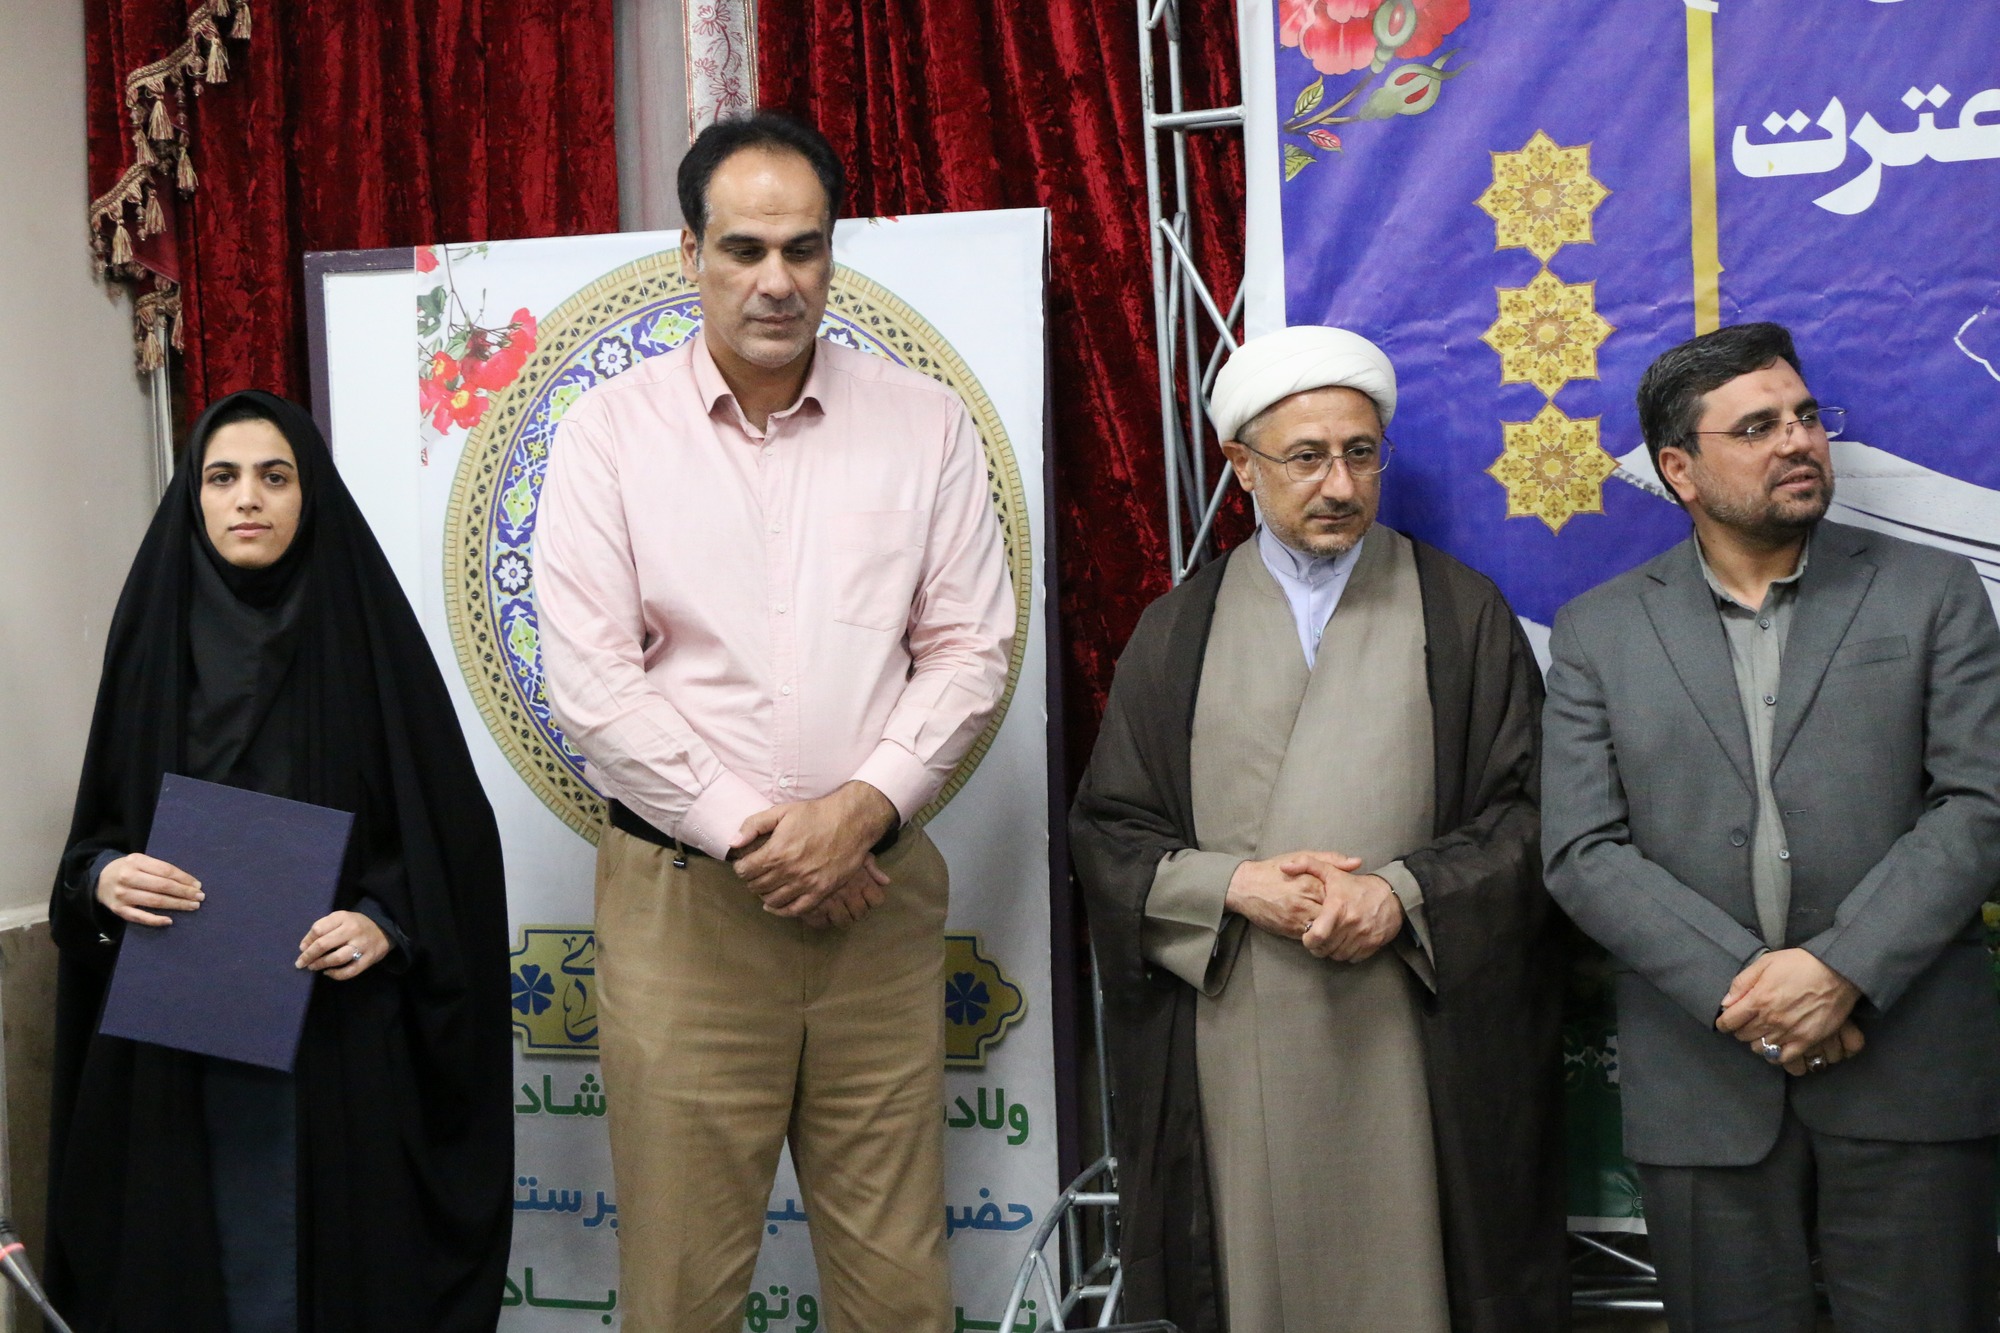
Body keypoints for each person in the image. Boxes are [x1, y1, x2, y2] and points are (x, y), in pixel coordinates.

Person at [534, 111, 1012, 1330]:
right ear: (687, 252)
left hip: (874, 906)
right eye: (743, 248)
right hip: (685, 913)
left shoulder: (924, 423)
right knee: (681, 1289)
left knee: (899, 1288)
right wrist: (772, 838)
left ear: (832, 256)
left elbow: (970, 649)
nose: (776, 280)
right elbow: (591, 681)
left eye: (802, 248)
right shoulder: (607, 434)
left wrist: (855, 816)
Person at [1069, 325, 1568, 1333]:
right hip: (1234, 1024)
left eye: (1360, 453)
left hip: (1413, 1023)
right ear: (1242, 465)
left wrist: (1401, 895)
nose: (1339, 484)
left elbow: (1533, 813)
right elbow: (1109, 829)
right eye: (1306, 457)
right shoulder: (1176, 631)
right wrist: (1230, 886)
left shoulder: (1463, 615)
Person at [1542, 322, 2000, 1332]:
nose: (1797, 440)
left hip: (1909, 1071)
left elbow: (1979, 802)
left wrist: (1837, 970)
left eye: (1804, 416)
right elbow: (1581, 851)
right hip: (1701, 1089)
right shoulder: (1597, 631)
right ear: (1679, 470)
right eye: (1755, 427)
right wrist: (1754, 992)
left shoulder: (1931, 593)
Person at [46, 391, 514, 1332]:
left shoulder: (366, 638)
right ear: (195, 496)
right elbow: (94, 840)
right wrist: (104, 878)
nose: (247, 498)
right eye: (222, 477)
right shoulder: (151, 638)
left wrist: (382, 922)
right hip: (174, 1039)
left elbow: (450, 841)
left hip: (335, 1038)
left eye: (275, 475)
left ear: (311, 494)